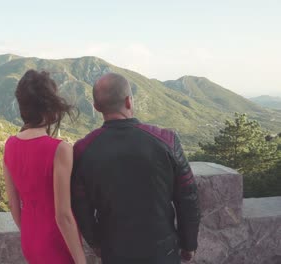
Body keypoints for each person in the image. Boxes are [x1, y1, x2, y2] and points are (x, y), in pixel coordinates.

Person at [71, 73, 201, 264]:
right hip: (163, 251)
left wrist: (96, 243)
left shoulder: (82, 149)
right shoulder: (167, 140)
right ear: (129, 101)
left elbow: (81, 206)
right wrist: (189, 244)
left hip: (115, 251)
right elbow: (188, 197)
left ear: (96, 107)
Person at [3, 69, 86, 264]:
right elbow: (63, 215)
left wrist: (32, 234)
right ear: (50, 107)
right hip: (56, 242)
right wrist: (82, 261)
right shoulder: (60, 150)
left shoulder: (10, 145)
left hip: (30, 239)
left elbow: (14, 205)